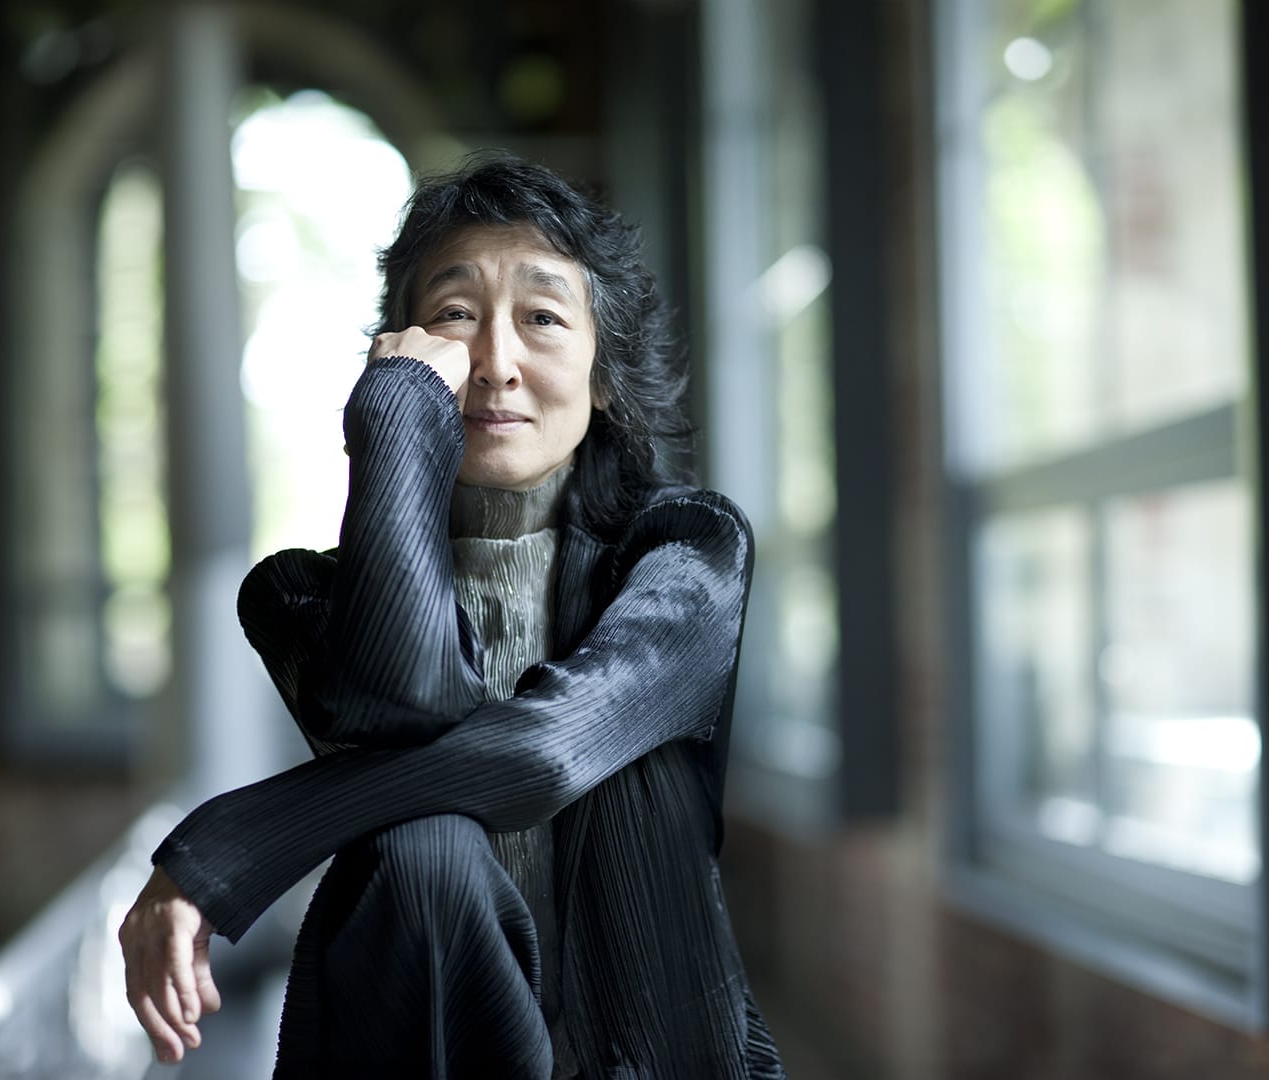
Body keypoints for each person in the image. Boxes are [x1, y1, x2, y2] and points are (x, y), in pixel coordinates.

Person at [118, 153, 785, 1079]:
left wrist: (230, 846)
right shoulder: (298, 597)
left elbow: (545, 751)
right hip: (411, 1050)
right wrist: (397, 414)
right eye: (455, 319)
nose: (496, 365)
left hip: (657, 1059)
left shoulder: (685, 554)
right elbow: (407, 705)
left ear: (602, 378)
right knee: (422, 842)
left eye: (544, 319)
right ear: (404, 353)